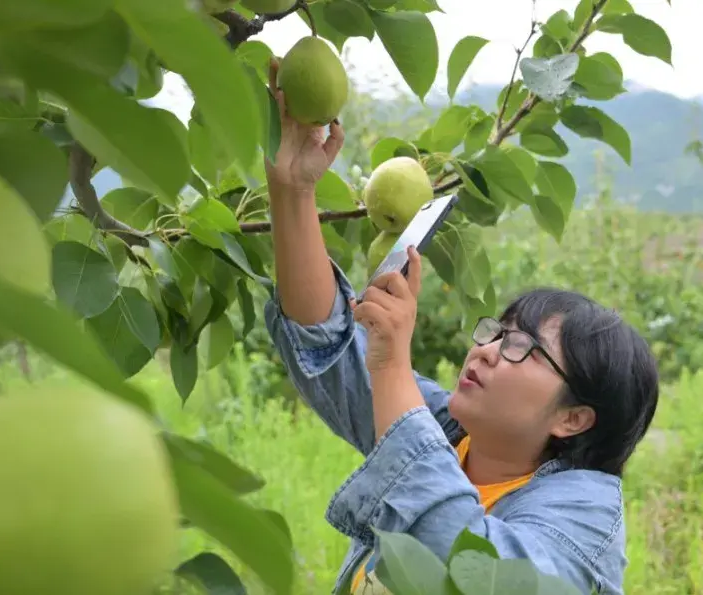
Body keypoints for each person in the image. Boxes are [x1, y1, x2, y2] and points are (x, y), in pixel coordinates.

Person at [262, 60, 660, 595]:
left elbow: (473, 568)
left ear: (573, 418)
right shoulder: (453, 432)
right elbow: (329, 347)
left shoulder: (584, 523)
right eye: (497, 332)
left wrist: (392, 363)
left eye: (523, 347)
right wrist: (293, 187)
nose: (490, 351)